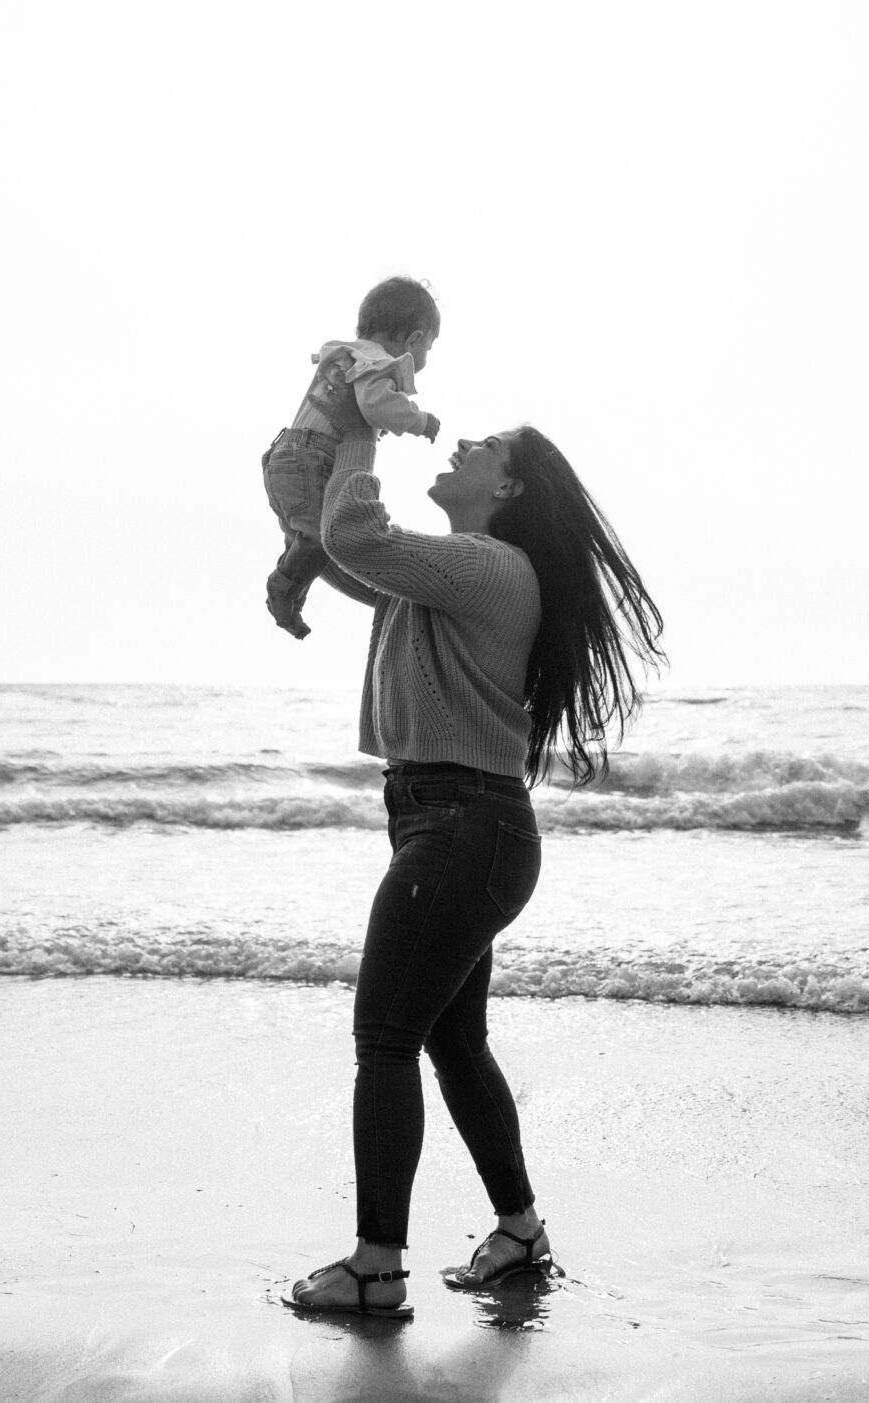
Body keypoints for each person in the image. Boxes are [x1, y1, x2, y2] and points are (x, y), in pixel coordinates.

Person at [283, 379, 664, 1319]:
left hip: (460, 828)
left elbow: (361, 540)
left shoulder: (490, 567)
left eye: (482, 446)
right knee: (453, 1041)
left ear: (511, 489)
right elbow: (360, 564)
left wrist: (361, 429)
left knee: (385, 1040)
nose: (459, 447)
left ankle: (376, 1265)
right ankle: (519, 1229)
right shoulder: (462, 566)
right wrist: (304, 552)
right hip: (460, 827)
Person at [261, 277, 444, 639]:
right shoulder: (377, 362)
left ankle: (291, 600)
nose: (425, 358)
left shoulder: (347, 355)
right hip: (313, 460)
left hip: (286, 457)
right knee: (317, 539)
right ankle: (281, 592)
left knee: (305, 545)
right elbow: (375, 404)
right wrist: (420, 421)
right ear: (414, 340)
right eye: (430, 347)